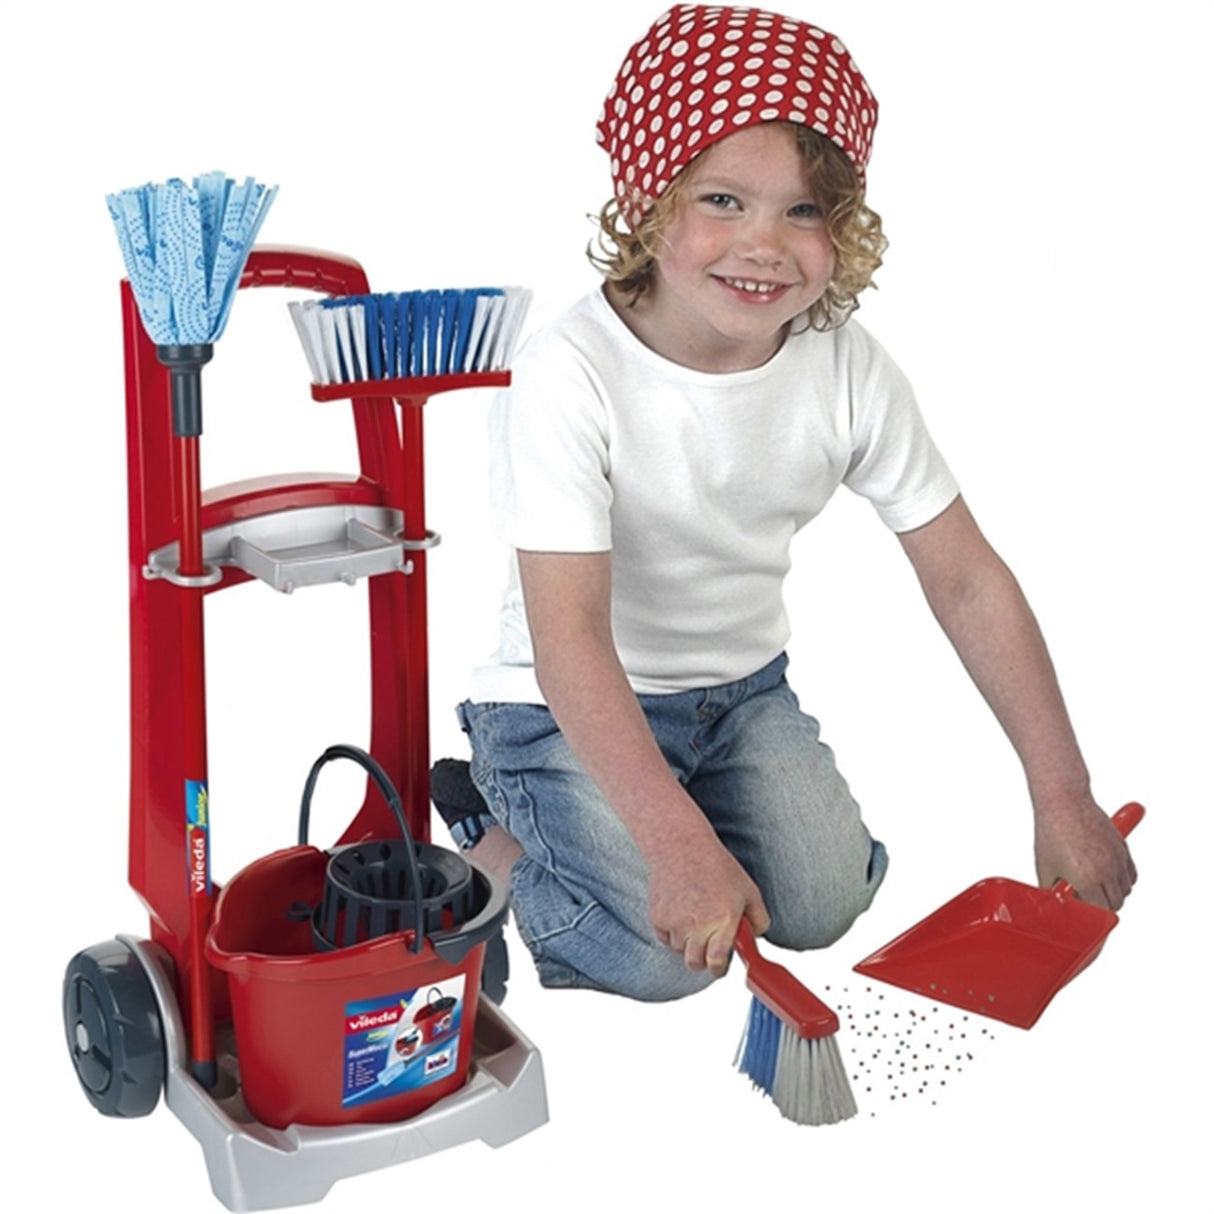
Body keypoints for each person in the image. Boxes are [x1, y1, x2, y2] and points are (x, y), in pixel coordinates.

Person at [432, 3, 1137, 1002]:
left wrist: (1061, 792)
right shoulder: (567, 373)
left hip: (739, 696)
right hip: (560, 708)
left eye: (803, 211)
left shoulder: (843, 366)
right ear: (647, 199)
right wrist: (674, 845)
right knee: (662, 958)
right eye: (722, 199)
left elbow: (966, 579)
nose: (763, 244)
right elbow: (571, 640)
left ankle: (662, 828)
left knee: (818, 905)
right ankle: (498, 840)